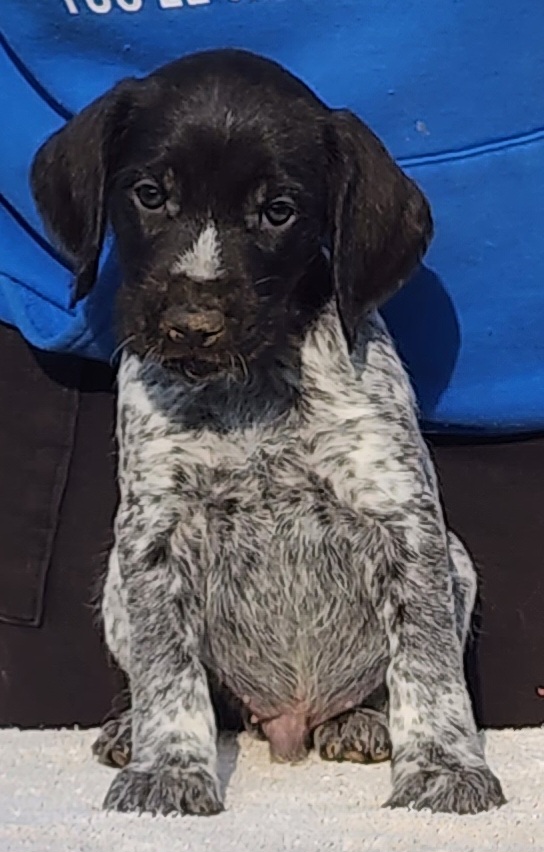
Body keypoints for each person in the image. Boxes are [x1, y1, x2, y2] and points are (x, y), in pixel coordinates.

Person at [0, 0, 542, 729]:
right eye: (152, 197)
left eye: (276, 210)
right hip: (56, 396)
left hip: (504, 427)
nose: (195, 308)